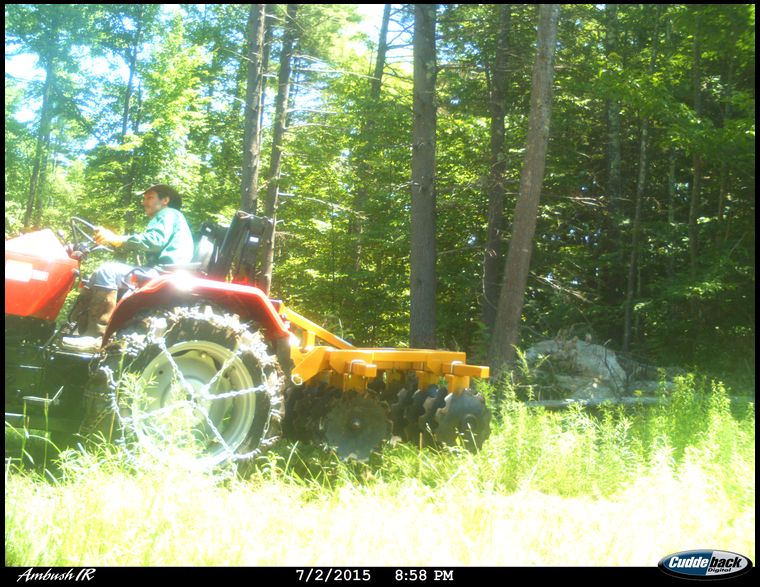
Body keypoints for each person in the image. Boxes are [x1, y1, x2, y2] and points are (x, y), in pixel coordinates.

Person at [61, 184, 195, 351]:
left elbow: (154, 240)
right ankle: (78, 329)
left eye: (150, 197)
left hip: (165, 271)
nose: (144, 202)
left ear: (165, 200)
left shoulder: (168, 213)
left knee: (107, 271)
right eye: (144, 198)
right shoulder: (171, 217)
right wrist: (116, 240)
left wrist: (119, 238)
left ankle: (96, 337)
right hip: (163, 269)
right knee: (97, 275)